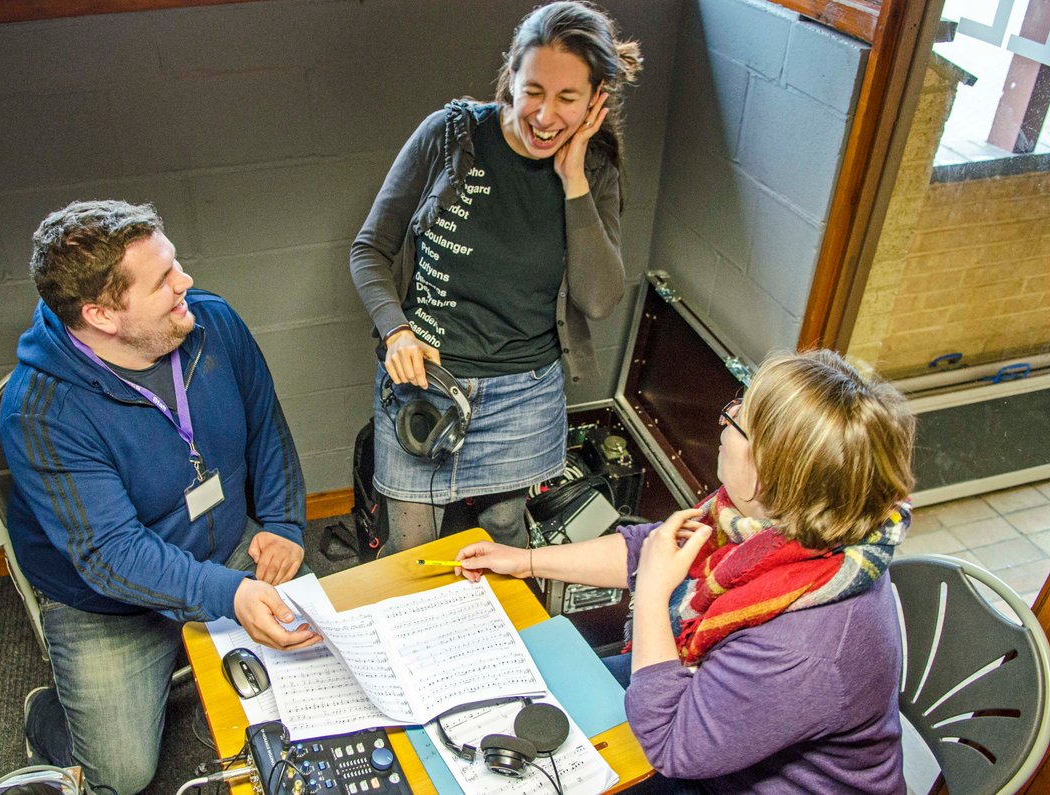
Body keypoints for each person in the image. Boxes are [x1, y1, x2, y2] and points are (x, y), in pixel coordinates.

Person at [455, 349, 915, 794]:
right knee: (536, 691)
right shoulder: (783, 523)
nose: (723, 417)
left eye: (739, 418)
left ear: (767, 473)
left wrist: (654, 596)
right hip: (710, 706)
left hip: (716, 771)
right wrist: (526, 560)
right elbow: (652, 550)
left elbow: (673, 747)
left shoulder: (803, 646)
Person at [0, 200, 320, 794]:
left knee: (323, 672)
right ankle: (52, 714)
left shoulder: (212, 322)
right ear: (101, 314)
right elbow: (113, 555)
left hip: (227, 547)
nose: (186, 283)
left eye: (176, 264)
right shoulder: (39, 412)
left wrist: (282, 522)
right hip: (111, 602)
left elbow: (266, 425)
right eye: (163, 281)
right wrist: (227, 593)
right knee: (121, 778)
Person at [350, 1, 643, 554]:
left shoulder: (596, 167)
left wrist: (573, 178)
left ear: (596, 99)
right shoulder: (450, 135)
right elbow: (369, 251)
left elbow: (600, 299)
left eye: (568, 99)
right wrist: (396, 331)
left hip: (522, 394)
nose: (545, 115)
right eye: (534, 90)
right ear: (512, 77)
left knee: (505, 531)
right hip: (428, 381)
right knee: (409, 552)